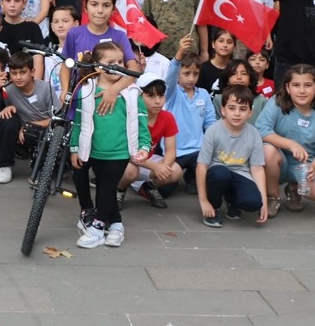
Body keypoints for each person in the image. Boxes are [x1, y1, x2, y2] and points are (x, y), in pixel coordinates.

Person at [69, 41, 152, 249]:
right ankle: (116, 226)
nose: (117, 65)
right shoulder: (86, 90)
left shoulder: (132, 93)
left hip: (120, 152)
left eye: (121, 61)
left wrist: (144, 146)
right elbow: (78, 122)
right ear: (97, 67)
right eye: (110, 62)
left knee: (106, 187)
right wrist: (74, 148)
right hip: (94, 151)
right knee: (105, 189)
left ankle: (97, 227)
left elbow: (141, 121)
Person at [256, 64, 315, 214]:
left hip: (305, 165)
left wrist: (313, 167)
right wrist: (290, 144)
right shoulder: (276, 103)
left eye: (308, 85)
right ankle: (272, 197)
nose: (301, 90)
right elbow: (262, 130)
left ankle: (294, 188)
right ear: (288, 88)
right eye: (296, 85)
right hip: (278, 160)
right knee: (267, 150)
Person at [197, 85, 268, 227]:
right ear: (223, 110)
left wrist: (264, 201)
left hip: (240, 173)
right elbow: (201, 166)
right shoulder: (213, 131)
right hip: (218, 171)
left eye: (243, 109)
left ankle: (232, 201)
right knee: (220, 174)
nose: (237, 113)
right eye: (232, 108)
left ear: (250, 113)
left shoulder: (253, 133)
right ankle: (214, 207)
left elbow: (257, 169)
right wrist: (203, 201)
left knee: (253, 202)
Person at [59, 0, 139, 97]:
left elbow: (133, 70)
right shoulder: (74, 34)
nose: (100, 10)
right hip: (78, 100)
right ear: (86, 7)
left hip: (110, 102)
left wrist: (114, 90)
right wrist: (65, 90)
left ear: (113, 10)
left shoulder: (120, 36)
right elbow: (66, 65)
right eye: (94, 4)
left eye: (106, 5)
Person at [164, 37, 217, 196]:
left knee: (199, 187)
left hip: (198, 151)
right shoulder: (172, 93)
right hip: (174, 151)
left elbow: (210, 123)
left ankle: (192, 175)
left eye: (195, 74)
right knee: (164, 190)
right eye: (186, 73)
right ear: (179, 73)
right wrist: (179, 53)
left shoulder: (204, 94)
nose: (191, 78)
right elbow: (170, 78)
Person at [118, 76, 180, 209]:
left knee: (175, 170)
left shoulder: (167, 117)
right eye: (151, 96)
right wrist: (155, 167)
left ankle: (149, 187)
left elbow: (171, 150)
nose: (158, 101)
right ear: (139, 96)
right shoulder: (129, 116)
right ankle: (119, 190)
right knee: (130, 171)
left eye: (161, 95)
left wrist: (164, 168)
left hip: (149, 159)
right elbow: (130, 153)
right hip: (127, 160)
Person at [0, 51, 55, 185]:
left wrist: (30, 125)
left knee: (33, 131)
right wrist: (6, 108)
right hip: (24, 133)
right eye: (14, 73)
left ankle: (42, 167)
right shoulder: (8, 90)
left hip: (44, 130)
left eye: (22, 72)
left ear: (32, 72)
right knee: (6, 120)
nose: (18, 77)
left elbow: (57, 119)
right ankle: (4, 165)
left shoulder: (45, 88)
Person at [0, 0, 45, 77]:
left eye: (17, 0)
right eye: (8, 1)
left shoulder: (32, 28)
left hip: (26, 80)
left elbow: (38, 60)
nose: (12, 4)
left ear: (24, 3)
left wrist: (37, 87)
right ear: (1, 3)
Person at [198, 28, 236, 94]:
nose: (225, 45)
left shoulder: (235, 69)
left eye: (229, 42)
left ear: (234, 47)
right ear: (213, 44)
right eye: (221, 41)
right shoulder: (203, 69)